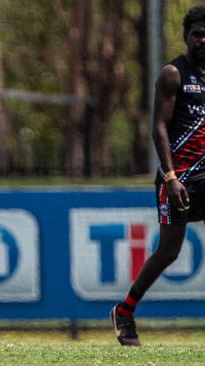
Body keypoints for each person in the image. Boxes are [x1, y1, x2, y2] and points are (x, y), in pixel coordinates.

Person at [110, 5, 205, 347]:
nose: (203, 40)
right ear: (186, 37)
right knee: (169, 252)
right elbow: (159, 127)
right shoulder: (173, 75)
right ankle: (125, 311)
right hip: (177, 179)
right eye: (197, 34)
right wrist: (170, 176)